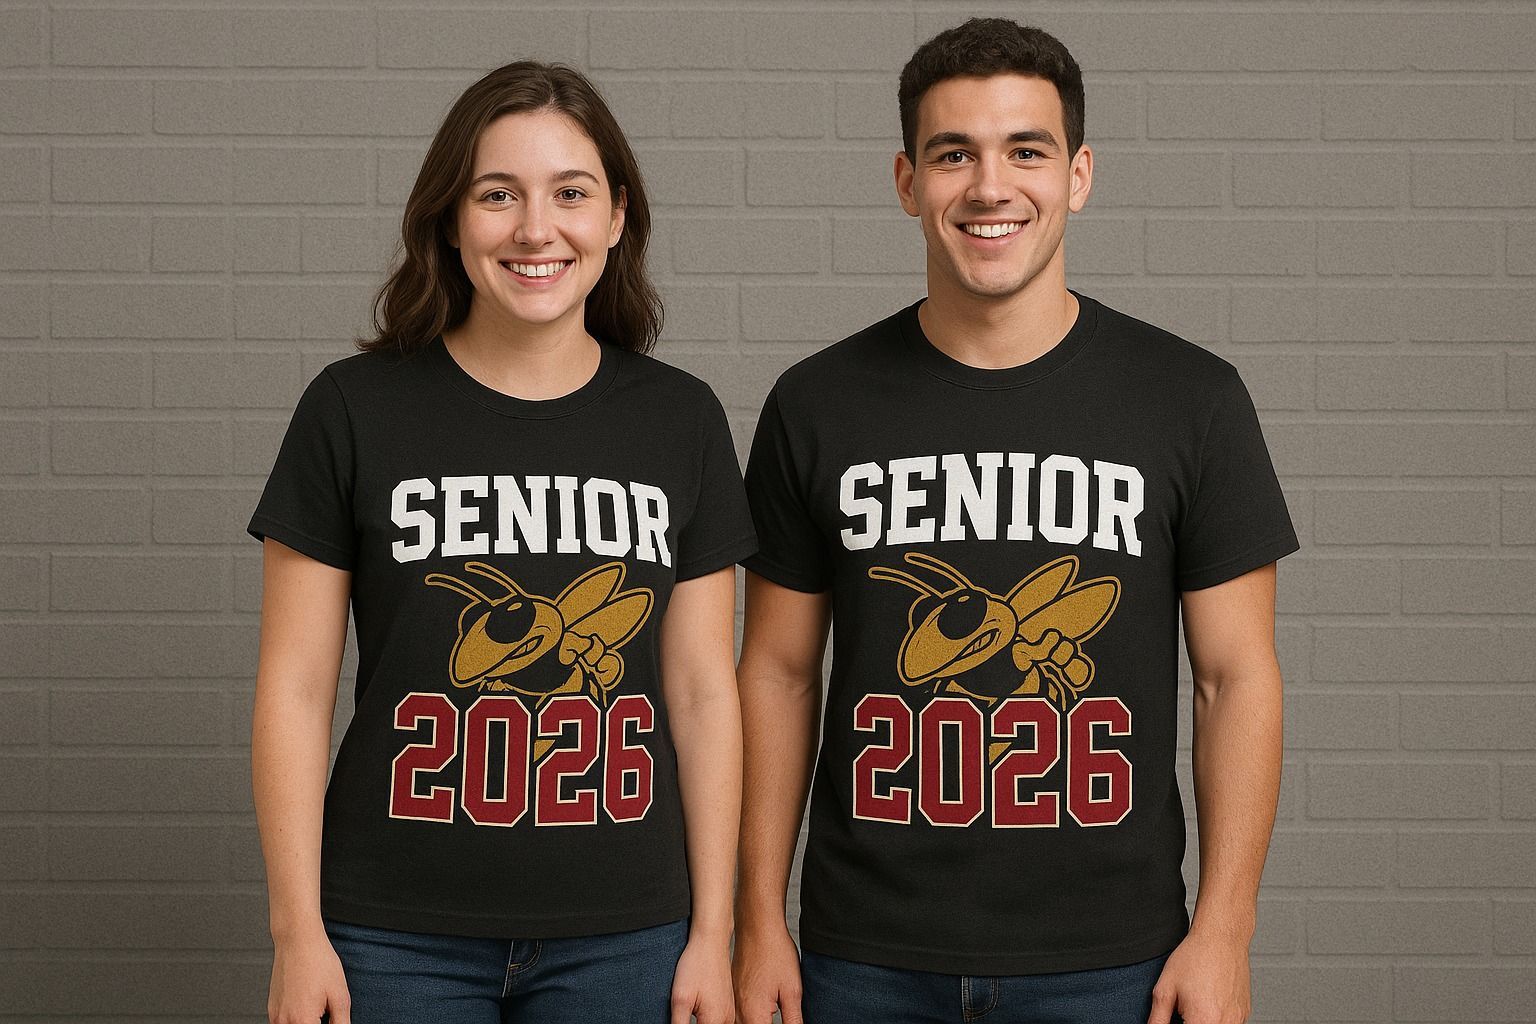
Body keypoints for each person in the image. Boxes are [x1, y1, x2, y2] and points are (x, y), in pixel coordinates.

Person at [732, 18, 1298, 1024]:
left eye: (1025, 150)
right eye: (955, 154)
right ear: (908, 182)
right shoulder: (817, 404)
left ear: (1078, 175)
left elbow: (1234, 676)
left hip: (1112, 958)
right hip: (862, 956)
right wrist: (756, 922)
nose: (990, 187)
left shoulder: (1192, 400)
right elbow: (775, 673)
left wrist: (1223, 932)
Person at [248, 60, 753, 1024]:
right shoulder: (353, 410)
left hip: (629, 933)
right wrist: (296, 932)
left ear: (615, 219)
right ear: (450, 217)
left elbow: (701, 691)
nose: (535, 229)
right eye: (497, 195)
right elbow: (296, 687)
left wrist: (712, 934)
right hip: (389, 931)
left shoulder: (680, 420)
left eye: (571, 193)